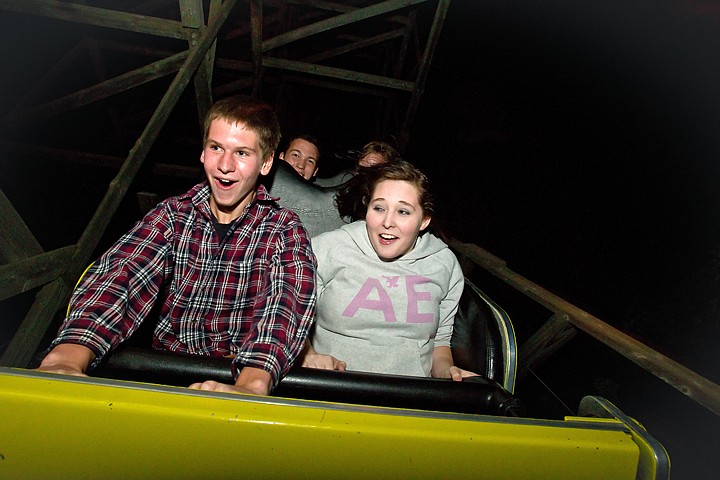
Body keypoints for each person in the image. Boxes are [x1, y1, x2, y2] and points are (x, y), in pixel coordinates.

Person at [37, 95, 317, 396]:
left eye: (242, 153)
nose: (225, 165)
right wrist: (67, 357)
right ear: (202, 152)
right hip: (167, 372)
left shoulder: (282, 228)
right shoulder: (173, 214)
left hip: (236, 375)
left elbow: (286, 300)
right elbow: (124, 272)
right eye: (216, 148)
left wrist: (252, 383)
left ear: (265, 163)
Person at [301, 160, 477, 381]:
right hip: (334, 388)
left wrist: (449, 373)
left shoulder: (443, 263)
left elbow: (439, 344)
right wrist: (308, 354)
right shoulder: (327, 248)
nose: (387, 222)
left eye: (403, 212)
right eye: (379, 208)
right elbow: (287, 315)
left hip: (407, 397)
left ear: (424, 220)